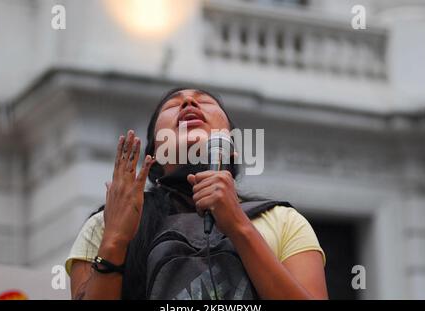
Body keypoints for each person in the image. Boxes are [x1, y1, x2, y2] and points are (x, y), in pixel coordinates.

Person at [65, 88, 328, 300]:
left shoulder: (283, 220)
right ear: (155, 155)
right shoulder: (107, 223)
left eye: (204, 102)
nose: (189, 102)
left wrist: (238, 225)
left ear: (232, 150)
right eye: (172, 106)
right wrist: (115, 240)